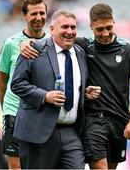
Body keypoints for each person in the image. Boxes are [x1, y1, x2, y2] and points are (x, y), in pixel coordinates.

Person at [20, 3, 130, 169]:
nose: (105, 33)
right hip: (93, 120)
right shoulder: (82, 45)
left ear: (114, 22)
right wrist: (26, 43)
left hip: (120, 120)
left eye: (109, 27)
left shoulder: (129, 50)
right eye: (99, 29)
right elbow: (54, 41)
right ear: (91, 26)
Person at [11, 9, 101, 169]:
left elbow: (72, 85)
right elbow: (17, 84)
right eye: (64, 27)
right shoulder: (34, 50)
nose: (70, 31)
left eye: (73, 27)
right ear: (52, 29)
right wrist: (45, 96)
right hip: (39, 132)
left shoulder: (80, 53)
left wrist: (82, 94)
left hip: (71, 133)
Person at [0, 0, 49, 169]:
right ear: (24, 15)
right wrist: (7, 110)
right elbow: (2, 81)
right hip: (14, 114)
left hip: (41, 114)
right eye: (34, 13)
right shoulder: (11, 44)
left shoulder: (53, 44)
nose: (38, 18)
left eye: (42, 13)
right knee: (16, 166)